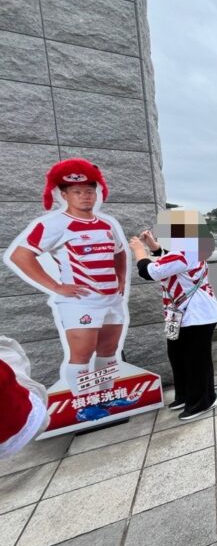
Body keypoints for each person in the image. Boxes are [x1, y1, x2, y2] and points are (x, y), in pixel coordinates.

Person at [6, 159, 126, 396]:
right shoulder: (54, 224)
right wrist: (57, 286)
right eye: (77, 192)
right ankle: (85, 402)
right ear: (64, 195)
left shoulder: (107, 224)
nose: (85, 196)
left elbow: (119, 252)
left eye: (90, 192)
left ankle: (106, 396)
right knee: (82, 354)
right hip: (81, 301)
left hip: (111, 299)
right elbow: (21, 256)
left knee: (108, 350)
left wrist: (121, 278)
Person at [130, 210, 217, 420]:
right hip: (178, 314)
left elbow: (149, 271)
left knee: (196, 360)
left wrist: (139, 251)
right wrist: (153, 246)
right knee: (178, 356)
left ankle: (203, 401)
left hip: (196, 315)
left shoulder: (186, 252)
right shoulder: (186, 251)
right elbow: (168, 260)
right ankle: (186, 395)